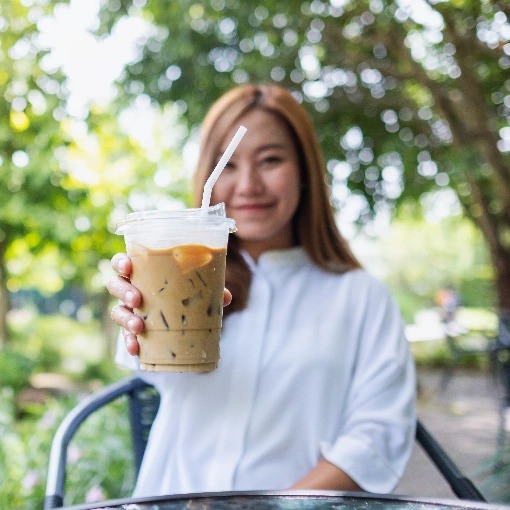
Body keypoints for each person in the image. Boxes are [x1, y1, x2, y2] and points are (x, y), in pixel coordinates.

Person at [107, 83, 416, 497]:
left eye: (270, 160)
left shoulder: (361, 299)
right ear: (208, 178)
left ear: (305, 172)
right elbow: (152, 368)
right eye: (228, 166)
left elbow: (376, 439)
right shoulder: (184, 281)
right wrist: (136, 312)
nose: (249, 184)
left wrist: (274, 507)